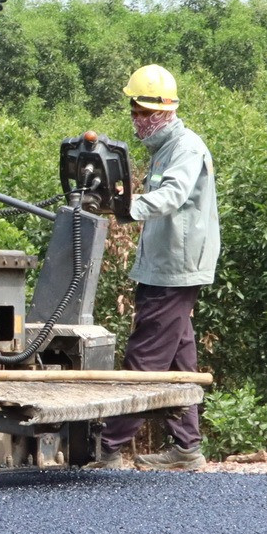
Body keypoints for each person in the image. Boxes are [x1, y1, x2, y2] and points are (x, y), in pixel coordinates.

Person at [93, 64, 220, 471]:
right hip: (166, 265)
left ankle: (109, 448)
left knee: (145, 356)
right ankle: (187, 449)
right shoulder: (164, 148)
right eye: (133, 112)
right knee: (180, 357)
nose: (135, 120)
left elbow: (173, 195)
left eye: (141, 113)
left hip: (176, 269)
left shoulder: (186, 148)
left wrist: (128, 207)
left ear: (161, 114)